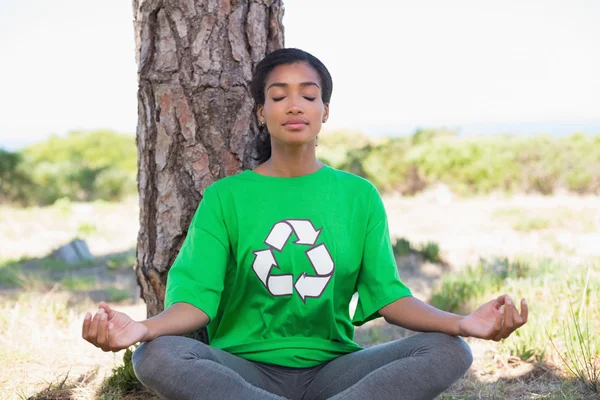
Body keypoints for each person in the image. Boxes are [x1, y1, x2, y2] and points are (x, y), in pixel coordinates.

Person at [82, 48, 528, 400]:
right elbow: (196, 303)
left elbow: (389, 297)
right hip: (242, 372)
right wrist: (142, 329)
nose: (294, 106)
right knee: (157, 355)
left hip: (335, 370)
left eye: (308, 95)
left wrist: (462, 322)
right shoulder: (226, 197)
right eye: (278, 96)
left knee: (449, 350)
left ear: (325, 110)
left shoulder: (358, 196)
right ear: (261, 111)